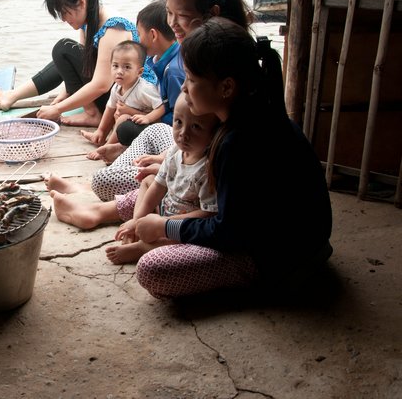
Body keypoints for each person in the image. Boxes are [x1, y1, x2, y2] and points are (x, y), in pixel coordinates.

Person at [133, 17, 333, 298]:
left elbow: (228, 231)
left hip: (280, 259)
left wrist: (167, 226)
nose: (184, 88)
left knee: (153, 270)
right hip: (285, 238)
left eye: (191, 79)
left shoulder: (239, 142)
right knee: (163, 183)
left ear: (226, 88)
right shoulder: (247, 113)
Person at [89, 0, 253, 202]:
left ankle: (112, 205)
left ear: (211, 13)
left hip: (199, 168)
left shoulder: (217, 57)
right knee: (152, 142)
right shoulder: (198, 49)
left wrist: (169, 170)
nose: (173, 23)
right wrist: (169, 159)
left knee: (116, 181)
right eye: (169, 13)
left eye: (183, 15)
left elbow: (220, 217)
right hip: (190, 152)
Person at [50, 94, 218, 261]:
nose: (183, 133)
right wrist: (139, 220)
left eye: (196, 127)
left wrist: (163, 224)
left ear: (214, 135)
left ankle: (141, 248)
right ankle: (133, 223)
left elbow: (207, 214)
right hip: (165, 208)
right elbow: (158, 186)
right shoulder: (175, 152)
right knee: (148, 181)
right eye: (178, 122)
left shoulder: (207, 169)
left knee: (176, 241)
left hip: (180, 225)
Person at [0, 0, 151, 127]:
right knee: (65, 55)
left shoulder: (113, 28)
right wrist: (66, 92)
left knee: (63, 49)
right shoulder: (89, 19)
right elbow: (81, 64)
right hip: (112, 93)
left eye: (64, 12)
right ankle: (12, 96)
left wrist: (57, 109)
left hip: (126, 102)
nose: (63, 19)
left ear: (81, 3)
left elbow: (102, 84)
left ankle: (93, 113)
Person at [91, 0, 183, 164]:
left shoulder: (174, 71)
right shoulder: (156, 59)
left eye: (139, 34)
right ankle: (121, 147)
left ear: (153, 35)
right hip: (152, 114)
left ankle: (123, 149)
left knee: (126, 127)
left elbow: (179, 117)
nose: (137, 40)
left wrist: (137, 114)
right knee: (123, 121)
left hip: (169, 132)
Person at [79, 40, 163, 160]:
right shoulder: (117, 87)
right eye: (115, 66)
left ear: (139, 72)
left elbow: (162, 108)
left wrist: (147, 118)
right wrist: (101, 130)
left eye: (127, 67)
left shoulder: (144, 89)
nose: (119, 71)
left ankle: (107, 148)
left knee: (123, 118)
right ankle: (101, 138)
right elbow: (110, 108)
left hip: (150, 127)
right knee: (119, 116)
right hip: (131, 125)